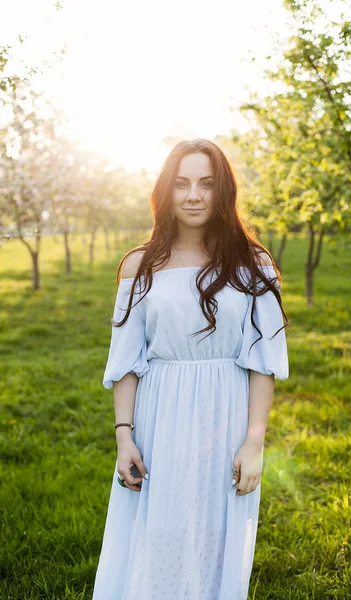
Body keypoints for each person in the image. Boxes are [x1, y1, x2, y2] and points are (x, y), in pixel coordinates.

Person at [92, 138, 290, 600]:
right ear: (166, 191)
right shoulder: (140, 266)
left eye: (207, 183)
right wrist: (125, 437)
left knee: (213, 540)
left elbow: (262, 361)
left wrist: (254, 442)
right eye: (182, 184)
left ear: (224, 192)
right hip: (160, 416)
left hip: (226, 418)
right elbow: (126, 361)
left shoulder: (253, 265)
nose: (194, 195)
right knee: (159, 534)